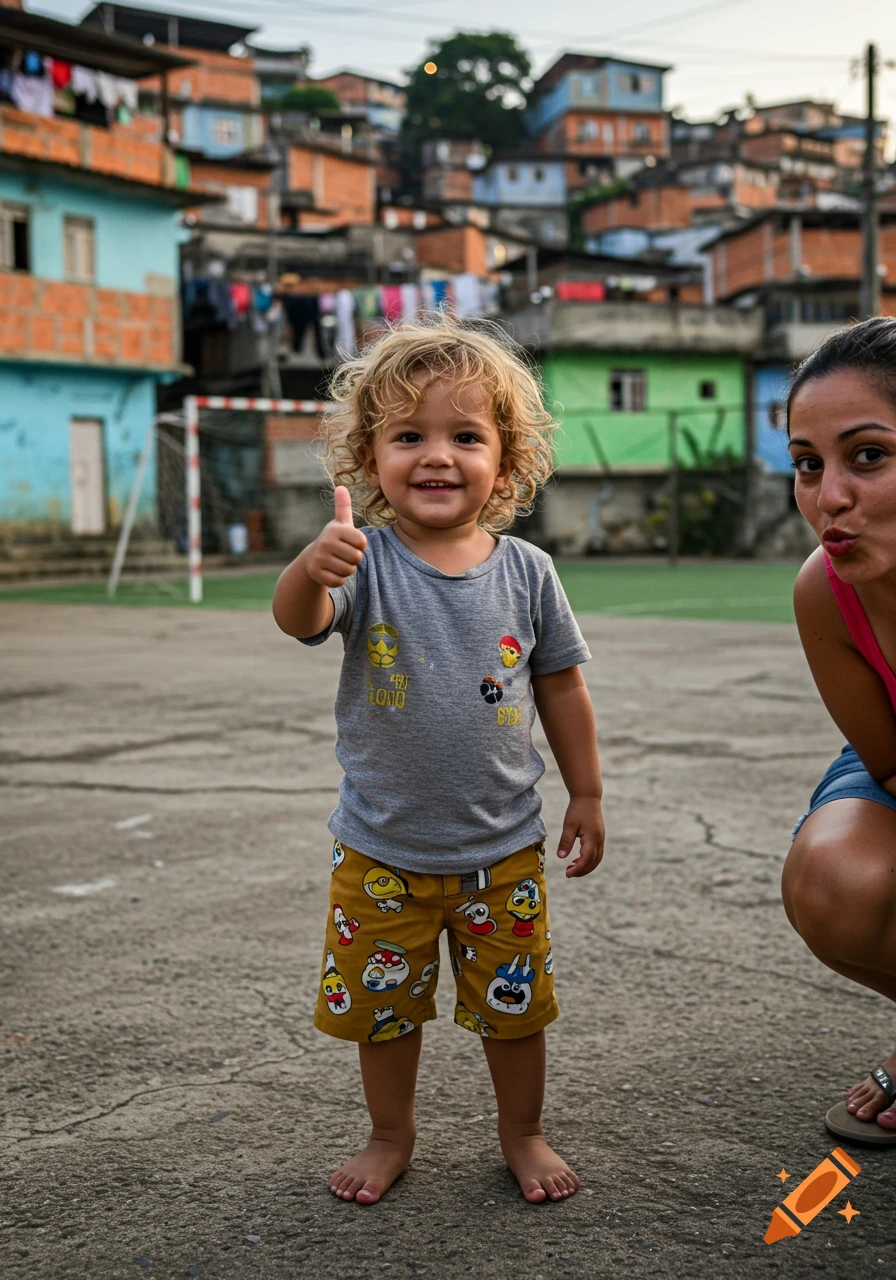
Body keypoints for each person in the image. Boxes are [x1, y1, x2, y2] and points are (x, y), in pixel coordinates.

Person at [273, 317, 605, 1202]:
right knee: (383, 1016)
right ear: (368, 458)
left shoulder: (529, 572)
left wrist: (589, 794)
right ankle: (391, 1134)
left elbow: (564, 688)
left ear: (508, 458)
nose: (437, 456)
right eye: (408, 435)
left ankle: (523, 1132)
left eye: (466, 436)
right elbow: (299, 621)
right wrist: (311, 569)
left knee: (514, 1009)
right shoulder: (365, 562)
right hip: (381, 850)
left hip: (503, 852)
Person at [782, 316, 896, 1146]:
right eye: (807, 464)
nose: (830, 496)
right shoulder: (826, 591)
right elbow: (889, 765)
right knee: (834, 878)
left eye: (869, 456)